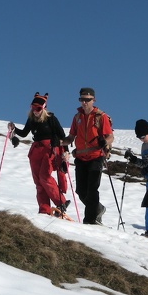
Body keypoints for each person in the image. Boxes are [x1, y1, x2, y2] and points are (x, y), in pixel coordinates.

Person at [8, 92, 70, 217]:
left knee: (44, 176)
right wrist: (14, 129)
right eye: (33, 107)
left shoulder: (51, 119)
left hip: (50, 149)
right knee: (38, 181)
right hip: (36, 150)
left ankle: (61, 202)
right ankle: (44, 210)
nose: (35, 111)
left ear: (44, 108)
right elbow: (25, 133)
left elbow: (62, 136)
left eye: (38, 108)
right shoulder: (31, 119)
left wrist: (66, 152)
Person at [60, 87, 113, 225]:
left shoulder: (101, 116)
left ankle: (90, 220)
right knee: (81, 190)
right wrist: (60, 142)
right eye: (81, 100)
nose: (84, 102)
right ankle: (98, 208)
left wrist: (104, 142)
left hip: (96, 156)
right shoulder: (77, 117)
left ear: (93, 100)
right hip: (81, 158)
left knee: (92, 189)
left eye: (87, 100)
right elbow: (71, 137)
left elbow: (110, 136)